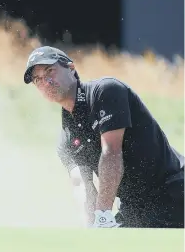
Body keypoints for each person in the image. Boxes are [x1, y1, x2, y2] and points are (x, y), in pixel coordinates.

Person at [23, 46, 184, 228]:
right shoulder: (65, 141)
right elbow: (82, 186)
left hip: (173, 190)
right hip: (133, 208)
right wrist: (91, 225)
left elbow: (111, 152)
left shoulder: (106, 91)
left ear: (71, 68)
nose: (46, 81)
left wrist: (103, 215)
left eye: (50, 71)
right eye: (38, 79)